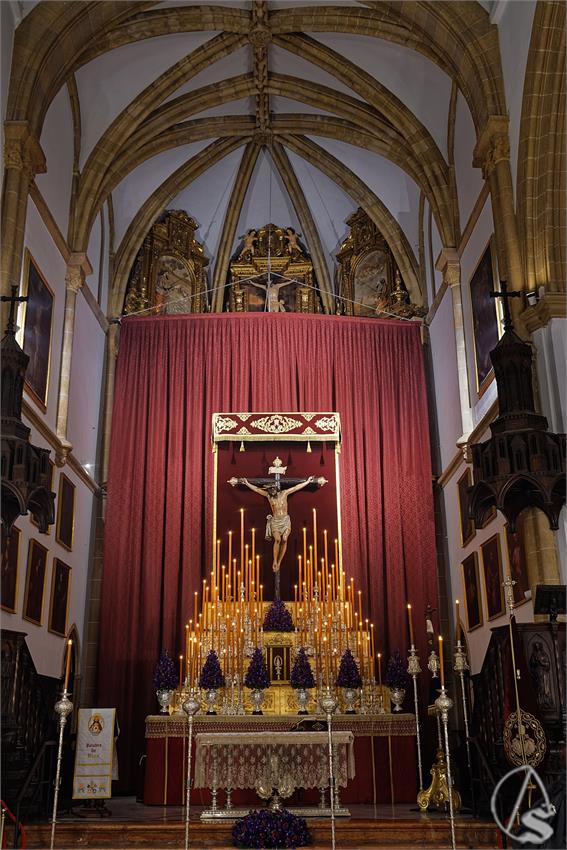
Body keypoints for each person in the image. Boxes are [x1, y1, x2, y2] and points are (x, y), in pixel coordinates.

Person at [228, 475, 327, 574]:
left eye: (273, 490)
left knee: (284, 539)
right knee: (278, 539)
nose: (272, 492)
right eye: (270, 491)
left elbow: (296, 487)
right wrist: (247, 483)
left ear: (276, 489)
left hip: (285, 520)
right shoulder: (268, 496)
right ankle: (275, 560)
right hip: (275, 521)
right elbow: (257, 490)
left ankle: (279, 562)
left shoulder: (284, 494)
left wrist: (308, 482)